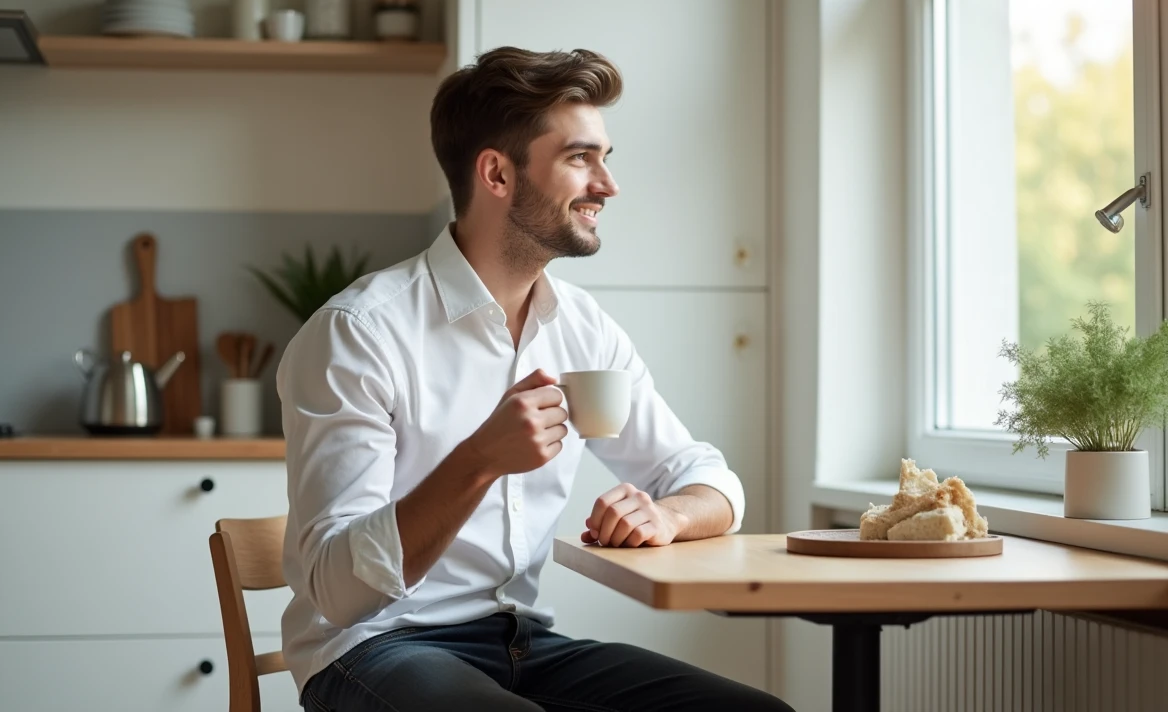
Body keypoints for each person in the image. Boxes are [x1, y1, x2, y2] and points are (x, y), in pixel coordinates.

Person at [277, 46, 793, 712]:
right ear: (496, 173)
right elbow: (339, 594)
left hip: (524, 645)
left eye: (605, 158)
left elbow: (710, 478)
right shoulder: (360, 333)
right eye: (581, 158)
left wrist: (666, 513)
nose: (607, 185)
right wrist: (479, 460)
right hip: (374, 648)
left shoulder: (583, 327)